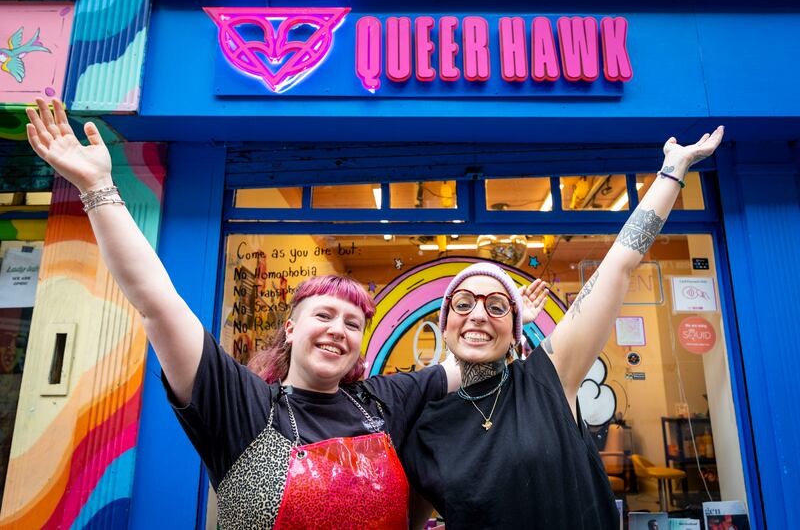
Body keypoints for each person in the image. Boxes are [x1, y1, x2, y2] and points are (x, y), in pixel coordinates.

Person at [23, 98, 550, 529]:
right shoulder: (242, 407)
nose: (337, 330)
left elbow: (476, 360)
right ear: (292, 329)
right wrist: (98, 188)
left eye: (352, 323)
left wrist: (509, 322)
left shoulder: (384, 401)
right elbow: (156, 301)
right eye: (324, 315)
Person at [403, 127, 725, 529]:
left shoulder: (546, 377)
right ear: (445, 326)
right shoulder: (425, 428)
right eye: (464, 303)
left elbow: (619, 265)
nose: (479, 315)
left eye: (498, 306)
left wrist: (672, 172)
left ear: (514, 328)